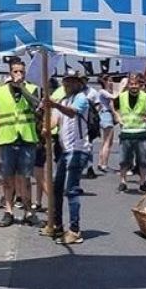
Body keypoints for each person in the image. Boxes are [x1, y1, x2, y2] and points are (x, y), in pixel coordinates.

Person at [40, 71, 92, 244]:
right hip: (65, 151)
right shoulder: (63, 101)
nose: (68, 84)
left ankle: (75, 230)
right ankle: (56, 225)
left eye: (72, 81)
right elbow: (55, 121)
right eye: (66, 81)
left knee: (71, 190)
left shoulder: (81, 99)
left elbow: (71, 113)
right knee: (56, 188)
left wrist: (55, 106)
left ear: (79, 84)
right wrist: (46, 126)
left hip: (78, 150)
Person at [0, 60, 40, 227]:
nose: (18, 74)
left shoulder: (32, 89)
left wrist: (22, 88)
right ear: (10, 73)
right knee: (7, 178)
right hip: (7, 139)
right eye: (15, 72)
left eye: (21, 72)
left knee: (25, 178)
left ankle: (28, 211)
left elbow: (36, 105)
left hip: (26, 138)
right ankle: (8, 211)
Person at [114, 73, 146, 193]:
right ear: (128, 85)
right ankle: (123, 181)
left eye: (136, 84)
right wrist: (117, 117)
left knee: (142, 160)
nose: (134, 86)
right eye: (131, 84)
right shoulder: (121, 97)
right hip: (126, 132)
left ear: (140, 85)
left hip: (141, 132)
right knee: (124, 160)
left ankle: (142, 182)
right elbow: (115, 107)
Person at [95, 75, 116, 172]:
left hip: (105, 115)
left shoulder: (106, 91)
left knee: (106, 141)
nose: (111, 82)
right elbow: (114, 97)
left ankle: (101, 162)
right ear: (104, 81)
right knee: (108, 141)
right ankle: (104, 164)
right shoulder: (102, 91)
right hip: (106, 115)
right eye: (110, 80)